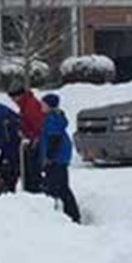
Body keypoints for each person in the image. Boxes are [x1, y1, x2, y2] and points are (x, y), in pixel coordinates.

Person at [40, 94, 81, 224]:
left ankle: (68, 216)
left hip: (57, 159)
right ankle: (71, 214)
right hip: (60, 159)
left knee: (57, 187)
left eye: (43, 104)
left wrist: (49, 158)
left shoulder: (52, 119)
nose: (41, 106)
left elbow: (53, 139)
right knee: (60, 187)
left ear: (49, 106)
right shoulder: (53, 118)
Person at [8, 85, 46, 193]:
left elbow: (38, 125)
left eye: (14, 98)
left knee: (33, 172)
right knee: (29, 171)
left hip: (34, 142)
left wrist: (28, 135)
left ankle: (35, 193)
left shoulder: (30, 105)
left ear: (19, 96)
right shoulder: (25, 104)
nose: (13, 101)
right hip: (31, 141)